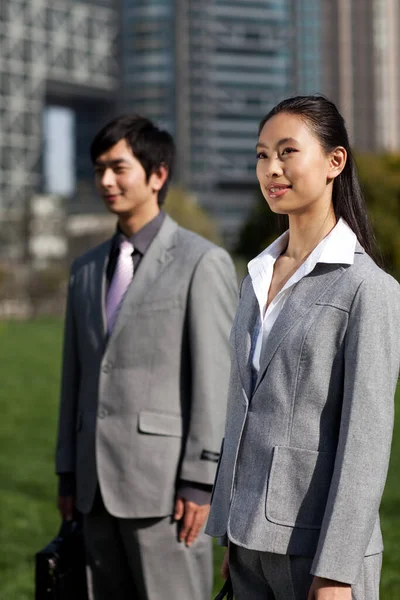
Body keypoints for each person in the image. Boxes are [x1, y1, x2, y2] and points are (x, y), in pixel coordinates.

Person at [206, 96, 400, 600]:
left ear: (335, 161)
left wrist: (337, 571)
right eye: (261, 155)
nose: (272, 169)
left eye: (288, 152)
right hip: (248, 544)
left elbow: (366, 444)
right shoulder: (254, 276)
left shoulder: (368, 289)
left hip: (318, 555)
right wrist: (233, 527)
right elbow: (242, 411)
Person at [55, 114, 238, 600]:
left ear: (157, 175)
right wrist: (67, 471)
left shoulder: (203, 261)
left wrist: (201, 481)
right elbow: (74, 379)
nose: (106, 181)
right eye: (98, 170)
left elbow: (214, 381)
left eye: (118, 167)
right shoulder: (85, 270)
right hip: (92, 493)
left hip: (168, 496)